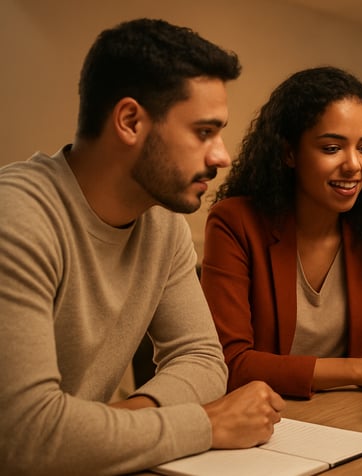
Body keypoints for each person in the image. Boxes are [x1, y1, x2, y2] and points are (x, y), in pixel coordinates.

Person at [0, 18, 285, 475]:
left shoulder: (161, 222)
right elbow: (27, 437)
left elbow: (203, 359)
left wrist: (114, 425)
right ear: (130, 121)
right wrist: (205, 424)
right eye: (204, 132)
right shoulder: (17, 218)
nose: (222, 156)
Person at [201, 66, 362, 399]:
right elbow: (230, 363)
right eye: (332, 148)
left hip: (348, 414)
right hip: (263, 416)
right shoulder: (235, 223)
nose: (354, 164)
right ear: (289, 153)